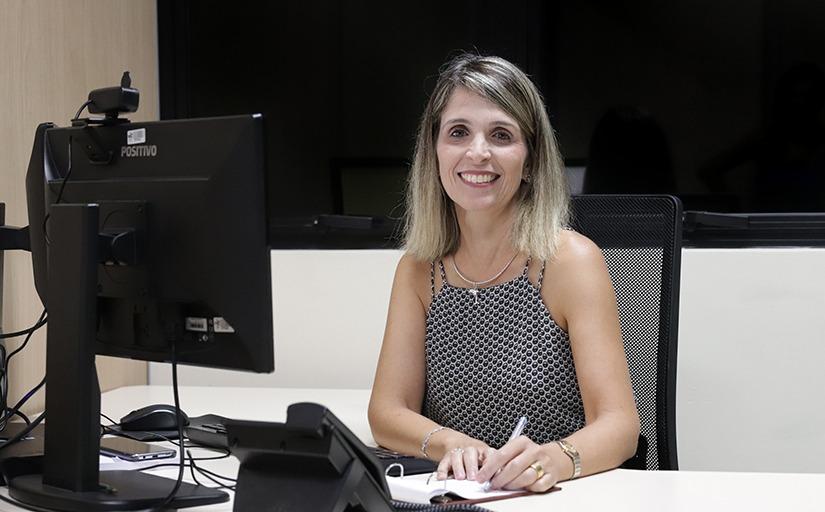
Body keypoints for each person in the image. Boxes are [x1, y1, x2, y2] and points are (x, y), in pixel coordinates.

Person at [368, 53, 639, 493]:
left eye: (501, 135)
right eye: (458, 133)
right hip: (462, 495)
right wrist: (453, 445)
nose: (478, 152)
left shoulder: (568, 261)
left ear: (530, 159)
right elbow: (386, 411)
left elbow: (621, 426)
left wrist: (556, 458)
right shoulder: (419, 270)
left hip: (558, 496)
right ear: (434, 152)